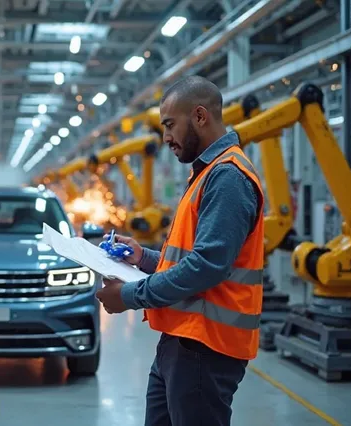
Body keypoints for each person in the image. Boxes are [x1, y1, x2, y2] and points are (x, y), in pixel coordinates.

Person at [95, 75, 265, 426]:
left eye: (170, 125)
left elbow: (207, 267)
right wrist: (143, 258)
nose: (166, 137)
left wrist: (128, 296)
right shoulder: (206, 174)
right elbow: (190, 259)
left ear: (200, 116)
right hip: (182, 340)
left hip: (206, 348)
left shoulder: (228, 177)